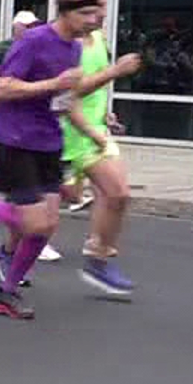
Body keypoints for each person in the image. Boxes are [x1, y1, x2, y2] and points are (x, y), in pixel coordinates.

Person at [0, 0, 133, 316]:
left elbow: (64, 98)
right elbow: (2, 89)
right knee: (34, 224)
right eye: (89, 14)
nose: (96, 20)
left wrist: (92, 123)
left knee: (45, 227)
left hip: (50, 138)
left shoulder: (75, 47)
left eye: (97, 13)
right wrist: (53, 84)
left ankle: (4, 293)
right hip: (18, 137)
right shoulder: (34, 40)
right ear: (66, 10)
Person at [56, 28, 144, 291]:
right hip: (75, 131)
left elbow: (97, 87)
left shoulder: (98, 38)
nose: (101, 14)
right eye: (98, 6)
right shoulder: (68, 43)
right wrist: (116, 71)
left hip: (97, 130)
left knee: (115, 195)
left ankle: (97, 255)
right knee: (53, 207)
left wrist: (106, 114)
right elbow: (71, 92)